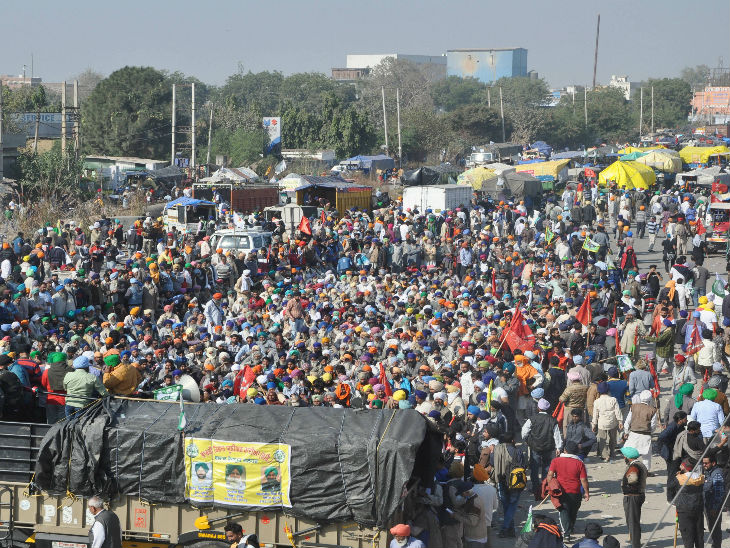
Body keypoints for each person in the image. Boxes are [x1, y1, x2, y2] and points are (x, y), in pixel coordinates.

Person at [546, 440, 590, 542]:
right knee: (573, 511)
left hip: (561, 491)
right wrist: (587, 492)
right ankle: (570, 527)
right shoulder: (580, 463)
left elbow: (550, 475)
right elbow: (583, 480)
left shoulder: (556, 461)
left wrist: (550, 486)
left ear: (565, 450)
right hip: (575, 492)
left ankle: (566, 534)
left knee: (563, 511)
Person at [521, 398, 562, 499]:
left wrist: (527, 440)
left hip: (535, 447)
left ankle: (535, 487)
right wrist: (558, 447)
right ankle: (545, 487)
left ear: (538, 408)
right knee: (547, 468)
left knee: (534, 468)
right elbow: (557, 435)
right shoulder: (552, 420)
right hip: (548, 447)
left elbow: (524, 432)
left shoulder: (532, 419)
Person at [492, 431, 525, 538]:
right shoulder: (517, 451)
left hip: (501, 480)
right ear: (512, 440)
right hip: (515, 482)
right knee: (512, 506)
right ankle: (505, 528)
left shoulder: (497, 450)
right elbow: (523, 465)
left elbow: (492, 463)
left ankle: (510, 530)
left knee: (506, 505)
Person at [668, 459, 705, 548]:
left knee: (687, 535)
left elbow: (670, 488)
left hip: (684, 509)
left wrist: (672, 500)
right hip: (698, 507)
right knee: (698, 534)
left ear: (685, 467)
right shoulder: (701, 478)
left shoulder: (679, 478)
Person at [619, 446, 647, 548]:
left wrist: (627, 482)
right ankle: (635, 542)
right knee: (634, 520)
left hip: (633, 497)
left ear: (628, 457)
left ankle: (635, 545)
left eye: (624, 456)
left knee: (632, 522)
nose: (623, 458)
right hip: (638, 495)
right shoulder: (640, 464)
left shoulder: (634, 466)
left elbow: (633, 479)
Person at [623, 390, 657, 472]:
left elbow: (627, 421)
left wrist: (626, 432)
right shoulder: (652, 410)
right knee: (646, 455)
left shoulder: (633, 407)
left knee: (630, 452)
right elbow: (653, 426)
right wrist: (650, 432)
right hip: (645, 435)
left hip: (633, 434)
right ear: (650, 399)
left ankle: (630, 467)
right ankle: (646, 471)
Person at [591, 382, 623, 462]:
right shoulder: (613, 399)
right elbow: (617, 412)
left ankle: (605, 455)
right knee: (613, 439)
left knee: (602, 439)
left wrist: (594, 424)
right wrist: (620, 421)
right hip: (613, 422)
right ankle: (612, 453)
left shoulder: (597, 402)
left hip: (602, 423)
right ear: (608, 390)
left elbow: (595, 415)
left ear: (599, 391)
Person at [702, 449, 725, 548]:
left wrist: (715, 508)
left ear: (713, 463)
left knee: (715, 529)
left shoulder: (717, 474)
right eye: (703, 463)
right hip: (707, 504)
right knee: (711, 527)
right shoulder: (708, 471)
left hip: (713, 507)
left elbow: (719, 494)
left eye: (706, 463)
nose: (704, 465)